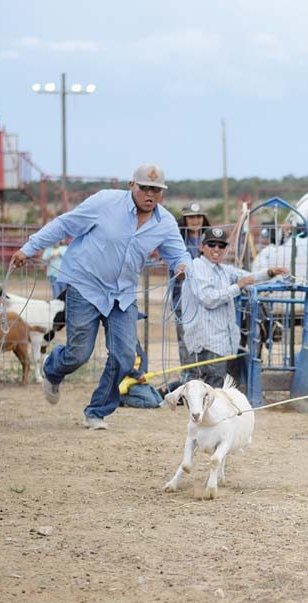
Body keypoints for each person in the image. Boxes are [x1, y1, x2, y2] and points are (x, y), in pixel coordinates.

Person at [11, 164, 192, 430]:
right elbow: (64, 224)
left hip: (123, 295)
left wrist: (183, 266)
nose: (150, 194)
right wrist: (29, 248)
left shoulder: (164, 222)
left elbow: (179, 254)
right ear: (132, 185)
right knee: (78, 353)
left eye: (156, 190)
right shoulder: (105, 202)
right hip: (85, 285)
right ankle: (53, 368)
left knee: (125, 357)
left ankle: (96, 411)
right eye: (145, 188)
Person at [180, 227, 287, 388]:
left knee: (213, 386)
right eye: (212, 244)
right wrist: (238, 286)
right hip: (206, 342)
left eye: (221, 245)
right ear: (202, 247)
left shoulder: (223, 270)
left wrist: (270, 272)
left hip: (219, 342)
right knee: (210, 388)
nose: (216, 249)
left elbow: (246, 276)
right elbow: (209, 299)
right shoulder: (197, 267)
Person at [173, 202, 210, 373]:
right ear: (184, 220)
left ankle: (206, 373)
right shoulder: (177, 241)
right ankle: (189, 374)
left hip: (206, 297)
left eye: (198, 216)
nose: (195, 220)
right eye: (191, 217)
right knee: (186, 338)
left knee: (207, 337)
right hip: (182, 297)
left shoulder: (211, 241)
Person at [119, 313, 163, 408]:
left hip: (139, 380)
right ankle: (120, 398)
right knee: (151, 403)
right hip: (129, 381)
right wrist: (137, 375)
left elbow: (143, 357)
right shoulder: (121, 340)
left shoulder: (133, 338)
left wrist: (142, 372)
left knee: (159, 402)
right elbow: (124, 365)